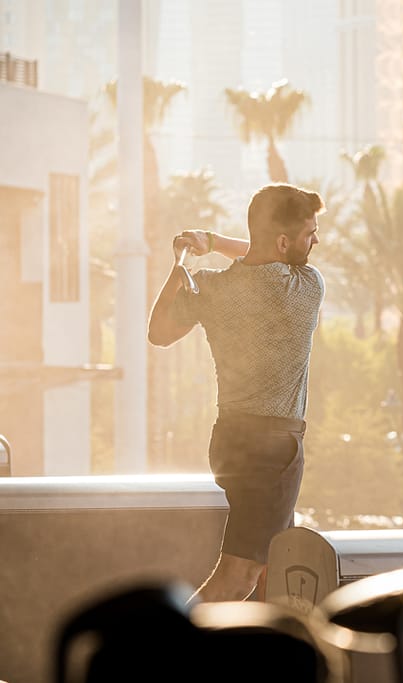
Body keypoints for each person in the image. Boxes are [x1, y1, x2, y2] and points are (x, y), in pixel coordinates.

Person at [148, 183, 326, 605]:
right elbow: (258, 253)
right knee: (240, 574)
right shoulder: (305, 287)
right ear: (285, 242)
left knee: (270, 564)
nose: (315, 240)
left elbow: (158, 333)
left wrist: (179, 276)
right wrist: (213, 242)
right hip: (273, 449)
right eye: (309, 233)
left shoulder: (210, 288)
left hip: (229, 440)